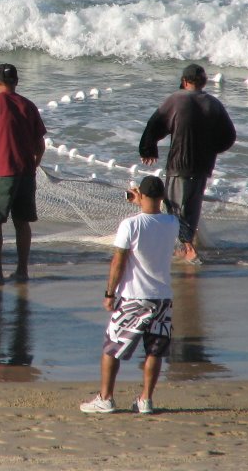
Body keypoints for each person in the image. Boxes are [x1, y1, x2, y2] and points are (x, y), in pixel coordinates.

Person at [81, 174, 180, 415]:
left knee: (112, 347)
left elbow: (118, 262)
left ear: (142, 195)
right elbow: (161, 215)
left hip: (134, 297)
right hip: (162, 296)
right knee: (154, 349)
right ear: (162, 197)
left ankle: (106, 397)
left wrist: (109, 293)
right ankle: (146, 399)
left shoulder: (131, 224)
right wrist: (144, 202)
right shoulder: (172, 223)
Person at [139, 63, 236, 263]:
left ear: (184, 81)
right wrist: (210, 150)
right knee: (191, 207)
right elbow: (229, 136)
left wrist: (148, 149)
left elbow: (155, 124)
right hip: (203, 166)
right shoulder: (214, 104)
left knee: (174, 206)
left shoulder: (176, 99)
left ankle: (188, 249)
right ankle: (187, 244)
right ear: (204, 82)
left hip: (179, 165)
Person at [0, 63, 46, 283]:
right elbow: (40, 145)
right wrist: (35, 164)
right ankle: (22, 270)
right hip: (26, 173)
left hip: (0, 172)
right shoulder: (28, 105)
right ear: (16, 82)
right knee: (22, 223)